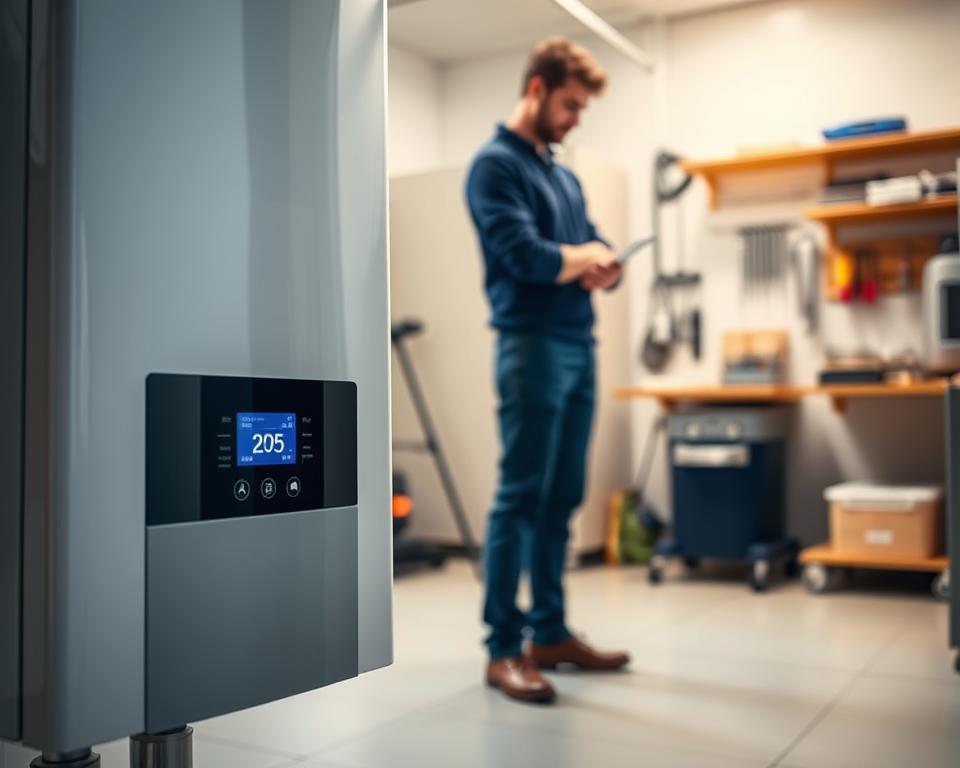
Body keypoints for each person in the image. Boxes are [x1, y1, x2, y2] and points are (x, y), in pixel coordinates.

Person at [465, 37, 630, 705]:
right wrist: (582, 254)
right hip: (530, 345)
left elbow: (593, 244)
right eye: (570, 104)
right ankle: (503, 648)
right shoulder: (493, 168)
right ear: (537, 88)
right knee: (520, 495)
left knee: (562, 497)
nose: (576, 118)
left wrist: (606, 264)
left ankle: (550, 632)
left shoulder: (562, 175)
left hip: (577, 343)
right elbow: (527, 258)